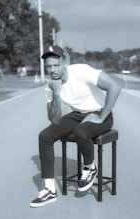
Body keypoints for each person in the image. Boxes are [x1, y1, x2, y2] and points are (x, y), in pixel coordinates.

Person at [30, 45, 121, 208]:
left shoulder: (81, 71)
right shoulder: (50, 86)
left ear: (64, 62)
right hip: (79, 114)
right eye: (49, 66)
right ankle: (50, 190)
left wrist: (101, 117)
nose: (52, 70)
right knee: (44, 136)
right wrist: (56, 93)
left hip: (101, 113)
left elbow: (115, 87)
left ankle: (90, 167)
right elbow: (55, 120)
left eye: (56, 65)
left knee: (81, 132)